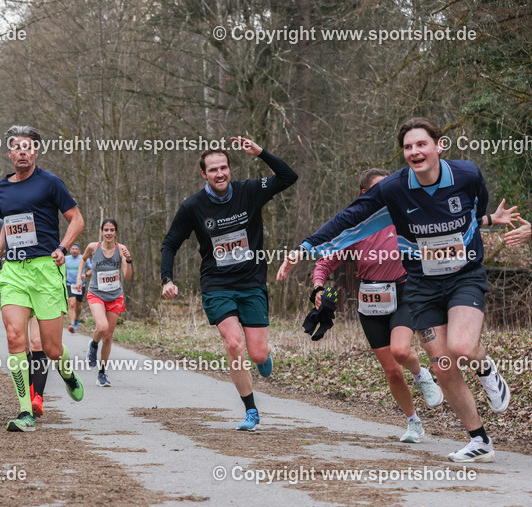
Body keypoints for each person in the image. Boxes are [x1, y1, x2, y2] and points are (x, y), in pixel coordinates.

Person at [278, 117, 522, 463]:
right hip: (422, 286)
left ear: (439, 146)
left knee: (463, 346)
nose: (414, 152)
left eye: (421, 144)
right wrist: (304, 249)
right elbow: (347, 219)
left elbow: (474, 208)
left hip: (463, 275)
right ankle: (479, 440)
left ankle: (486, 369)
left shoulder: (467, 174)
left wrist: (484, 220)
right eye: (408, 147)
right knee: (442, 365)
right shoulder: (393, 189)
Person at [161, 136, 298, 431]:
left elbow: (289, 177)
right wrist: (166, 279)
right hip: (217, 284)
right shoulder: (193, 206)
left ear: (230, 169)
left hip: (251, 282)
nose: (220, 173)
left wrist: (261, 153)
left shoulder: (249, 191)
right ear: (203, 174)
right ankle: (250, 410)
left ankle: (264, 356)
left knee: (258, 353)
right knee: (234, 344)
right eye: (213, 170)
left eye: (223, 167)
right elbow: (171, 242)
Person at [307, 168, 444, 443]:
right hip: (370, 300)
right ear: (364, 195)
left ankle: (422, 375)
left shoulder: (405, 219)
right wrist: (319, 286)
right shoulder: (355, 229)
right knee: (392, 371)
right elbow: (325, 261)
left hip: (405, 292)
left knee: (401, 350)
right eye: (380, 191)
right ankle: (413, 423)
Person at [0, 125, 85, 432]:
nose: (23, 152)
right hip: (13, 270)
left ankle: (67, 373)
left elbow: (76, 219)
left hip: (44, 269)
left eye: (28, 147)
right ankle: (25, 411)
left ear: (35, 152)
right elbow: (7, 228)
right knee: (15, 337)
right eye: (17, 147)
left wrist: (63, 248)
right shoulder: (2, 188)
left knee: (51, 349)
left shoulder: (50, 182)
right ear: (9, 153)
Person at [79, 218, 132, 387]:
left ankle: (101, 373)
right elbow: (83, 259)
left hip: (115, 296)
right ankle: (93, 344)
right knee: (102, 327)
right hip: (96, 294)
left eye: (112, 230)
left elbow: (128, 276)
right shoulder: (93, 247)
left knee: (108, 338)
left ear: (116, 232)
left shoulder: (121, 249)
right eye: (106, 230)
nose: (109, 233)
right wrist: (80, 276)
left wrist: (128, 261)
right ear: (102, 231)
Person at [64, 243, 84, 332]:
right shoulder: (66, 259)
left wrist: (85, 274)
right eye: (73, 249)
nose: (74, 250)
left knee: (78, 306)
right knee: (71, 304)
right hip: (70, 284)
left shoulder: (83, 258)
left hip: (80, 285)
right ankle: (71, 324)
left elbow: (91, 269)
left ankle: (76, 319)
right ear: (70, 250)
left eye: (76, 249)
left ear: (79, 251)